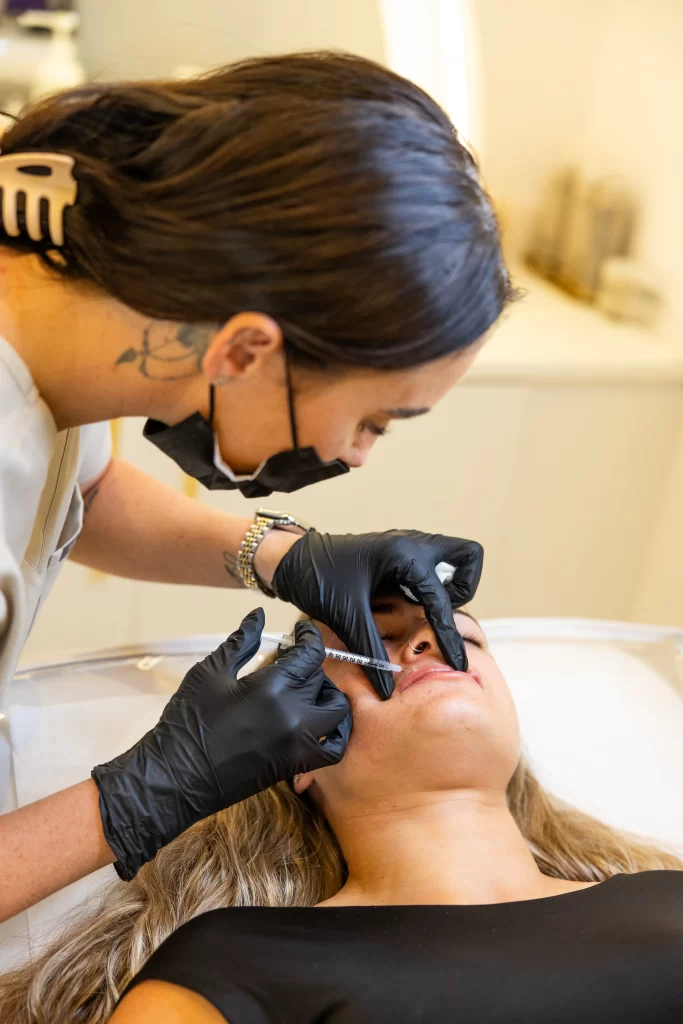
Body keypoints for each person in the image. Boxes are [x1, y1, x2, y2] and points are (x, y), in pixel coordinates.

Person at [0, 52, 514, 916]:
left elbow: (73, 493)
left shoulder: (53, 291)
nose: (357, 456)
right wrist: (141, 795)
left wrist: (281, 556)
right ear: (244, 350)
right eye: (374, 419)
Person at [2, 597, 681, 1023]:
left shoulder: (669, 899)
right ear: (294, 754)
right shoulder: (234, 964)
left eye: (462, 637)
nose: (427, 642)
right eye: (370, 644)